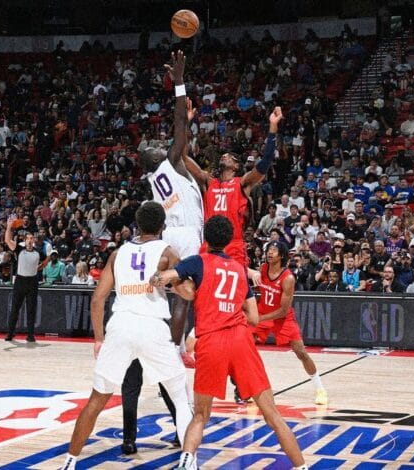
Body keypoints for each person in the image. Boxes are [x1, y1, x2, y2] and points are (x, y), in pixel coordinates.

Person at [150, 216, 307, 470]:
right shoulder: (237, 268)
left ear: (206, 239)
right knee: (272, 414)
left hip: (211, 341)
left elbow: (164, 277)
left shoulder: (198, 261)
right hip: (240, 339)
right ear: (227, 241)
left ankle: (187, 462)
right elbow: (254, 318)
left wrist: (164, 280)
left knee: (200, 415)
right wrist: (230, 310)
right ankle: (302, 467)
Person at [61, 202, 192, 469]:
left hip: (120, 325)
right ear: (162, 226)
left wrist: (99, 339)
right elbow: (188, 293)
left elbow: (98, 300)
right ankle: (189, 463)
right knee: (180, 398)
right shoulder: (167, 252)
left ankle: (70, 461)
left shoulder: (117, 253)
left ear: (137, 225)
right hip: (152, 326)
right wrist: (170, 278)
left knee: (96, 400)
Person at [123, 50, 196, 454]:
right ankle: (176, 341)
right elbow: (179, 128)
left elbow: (181, 128)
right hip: (184, 233)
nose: (157, 144)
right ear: (152, 158)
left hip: (179, 232)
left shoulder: (157, 179)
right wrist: (180, 85)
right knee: (180, 289)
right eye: (151, 146)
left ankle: (177, 339)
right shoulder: (168, 163)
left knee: (176, 289)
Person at [184, 107, 283, 268]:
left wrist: (273, 127)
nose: (225, 156)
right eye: (224, 155)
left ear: (236, 165)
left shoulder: (242, 183)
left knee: (239, 290)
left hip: (234, 244)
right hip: (209, 244)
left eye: (230, 156)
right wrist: (185, 123)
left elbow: (265, 162)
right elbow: (182, 157)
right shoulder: (208, 181)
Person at [252, 241, 328, 405]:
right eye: (269, 249)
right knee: (246, 347)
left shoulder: (288, 278)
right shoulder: (263, 269)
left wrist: (259, 319)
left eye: (274, 250)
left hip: (281, 317)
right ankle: (252, 388)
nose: (270, 252)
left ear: (281, 255)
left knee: (300, 352)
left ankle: (320, 389)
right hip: (263, 312)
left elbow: (283, 311)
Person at [4, 218, 48, 342]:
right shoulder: (19, 249)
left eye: (31, 238)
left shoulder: (39, 252)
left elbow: (46, 260)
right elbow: (7, 240)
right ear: (25, 240)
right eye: (27, 238)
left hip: (32, 282)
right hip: (20, 281)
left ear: (34, 240)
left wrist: (40, 267)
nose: (29, 240)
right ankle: (10, 333)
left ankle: (30, 335)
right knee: (15, 309)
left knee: (31, 310)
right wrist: (9, 227)